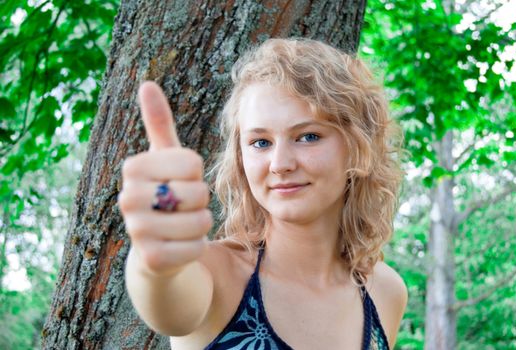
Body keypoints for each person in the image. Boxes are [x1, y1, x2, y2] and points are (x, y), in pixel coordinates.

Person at [119, 38, 408, 350]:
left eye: (308, 136)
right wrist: (154, 261)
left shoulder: (384, 292)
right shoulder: (216, 274)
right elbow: (167, 308)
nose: (280, 164)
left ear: (357, 149)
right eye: (260, 142)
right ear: (241, 158)